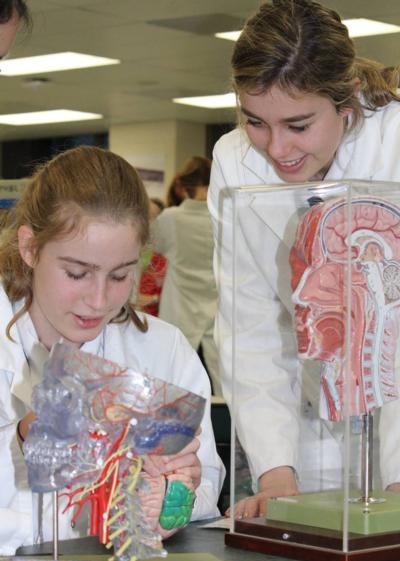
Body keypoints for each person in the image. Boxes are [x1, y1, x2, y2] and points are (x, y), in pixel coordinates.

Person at [208, 0, 400, 518]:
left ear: (347, 103)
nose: (276, 148)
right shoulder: (234, 160)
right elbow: (250, 325)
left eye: (297, 124)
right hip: (313, 420)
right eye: (255, 122)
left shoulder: (396, 145)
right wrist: (275, 472)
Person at [0, 145, 224, 555]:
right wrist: (21, 439)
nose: (100, 300)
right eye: (77, 273)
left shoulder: (162, 349)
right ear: (30, 248)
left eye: (121, 274)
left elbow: (204, 484)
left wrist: (174, 497)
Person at [152, 156, 221, 396]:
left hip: (180, 306)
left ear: (185, 186)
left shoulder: (170, 218)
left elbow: (156, 246)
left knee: (175, 381)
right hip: (218, 306)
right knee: (222, 382)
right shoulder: (222, 218)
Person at [137, 198, 167, 316]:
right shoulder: (127, 249)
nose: (148, 222)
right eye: (144, 216)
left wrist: (154, 298)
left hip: (156, 317)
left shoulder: (166, 255)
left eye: (153, 217)